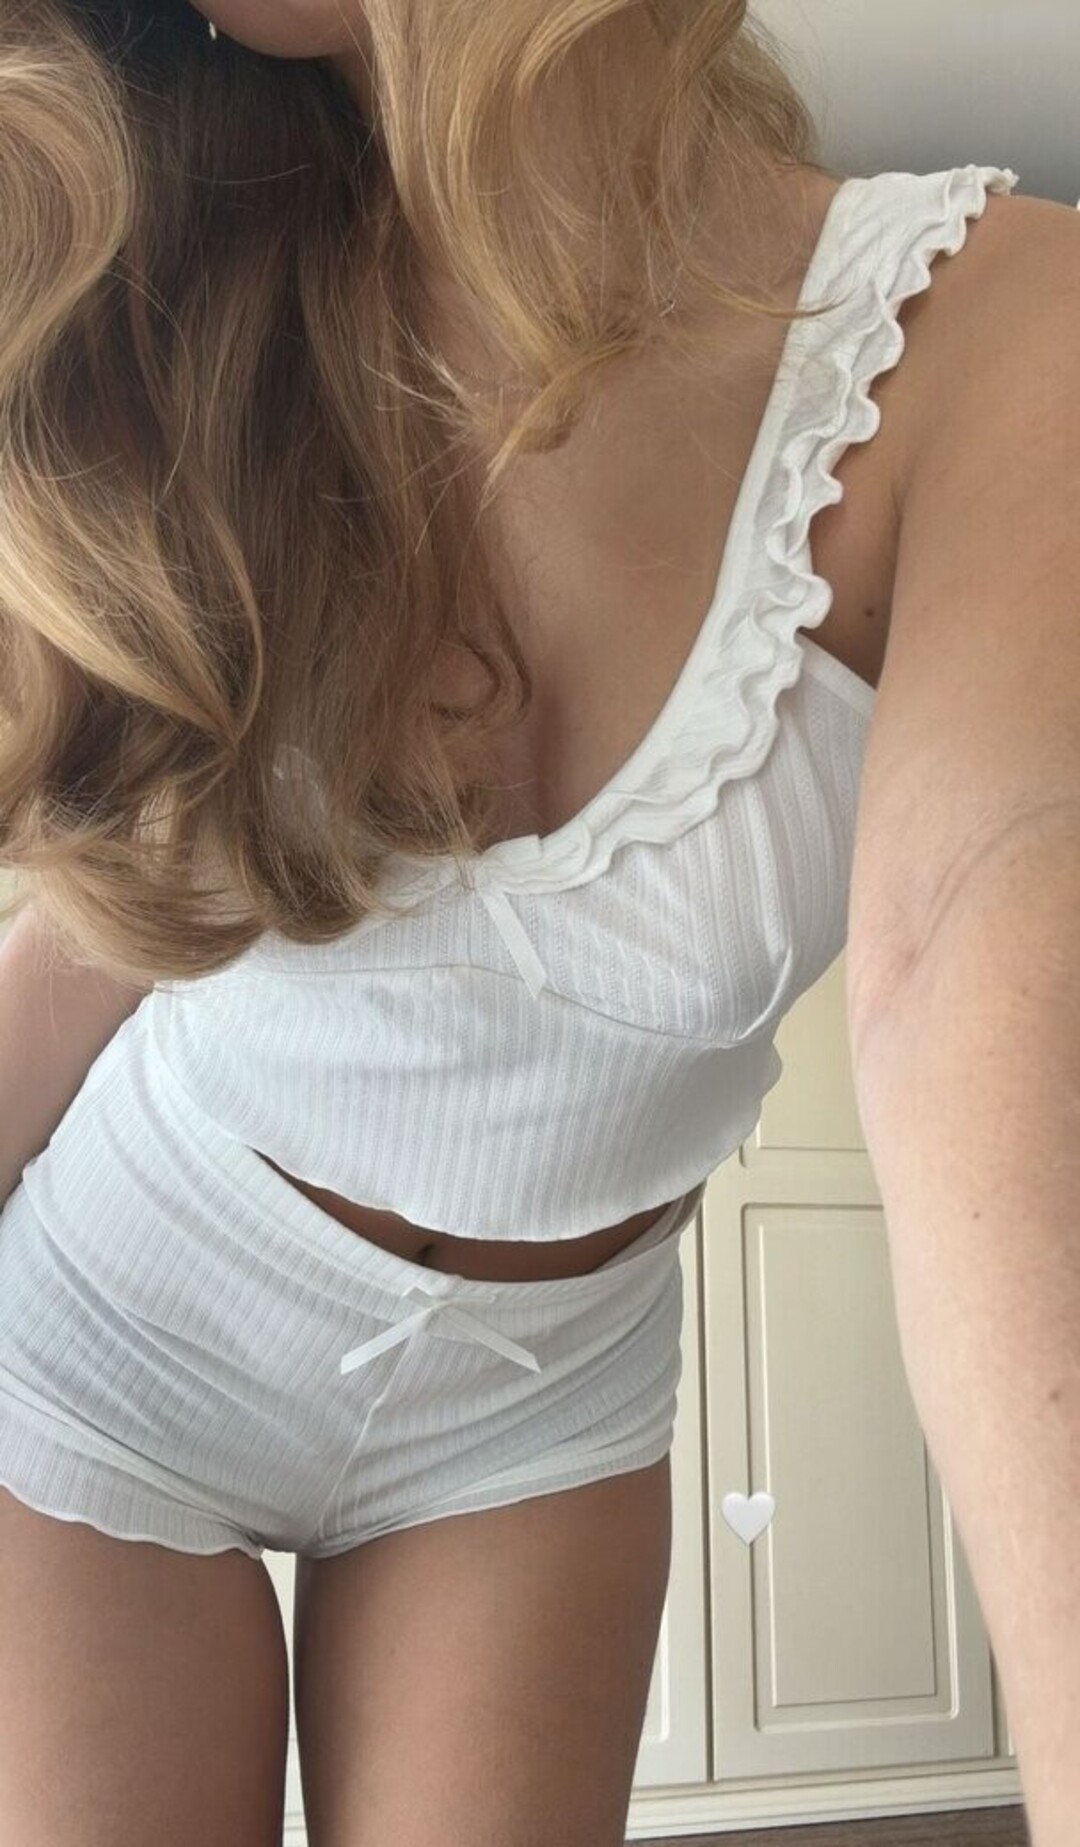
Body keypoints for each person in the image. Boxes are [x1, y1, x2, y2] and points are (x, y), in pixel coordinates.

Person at [0, 4, 1075, 1844]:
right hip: (119, 1329)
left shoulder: (994, 331)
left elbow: (992, 947)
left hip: (535, 1408)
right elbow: (91, 941)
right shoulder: (175, 318)